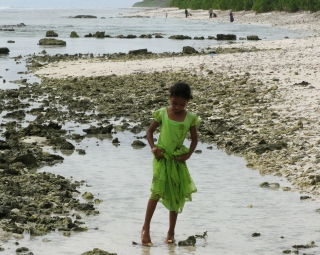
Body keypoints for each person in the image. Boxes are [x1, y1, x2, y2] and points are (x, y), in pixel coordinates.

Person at [141, 82, 200, 246]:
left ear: (188, 102)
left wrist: (188, 155)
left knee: (176, 194)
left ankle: (171, 231)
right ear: (170, 98)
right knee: (156, 192)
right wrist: (153, 148)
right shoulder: (162, 113)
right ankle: (146, 228)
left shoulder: (190, 118)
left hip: (177, 159)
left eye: (182, 104)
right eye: (175, 103)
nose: (178, 107)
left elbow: (195, 139)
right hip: (161, 157)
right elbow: (149, 131)